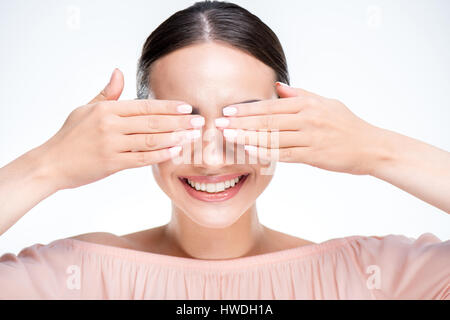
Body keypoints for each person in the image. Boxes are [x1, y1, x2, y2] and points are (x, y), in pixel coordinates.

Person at [0, 0, 448, 299]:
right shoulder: (76, 277)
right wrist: (48, 165)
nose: (212, 159)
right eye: (184, 120)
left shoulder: (367, 278)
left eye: (244, 120)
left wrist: (376, 149)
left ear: (288, 118)